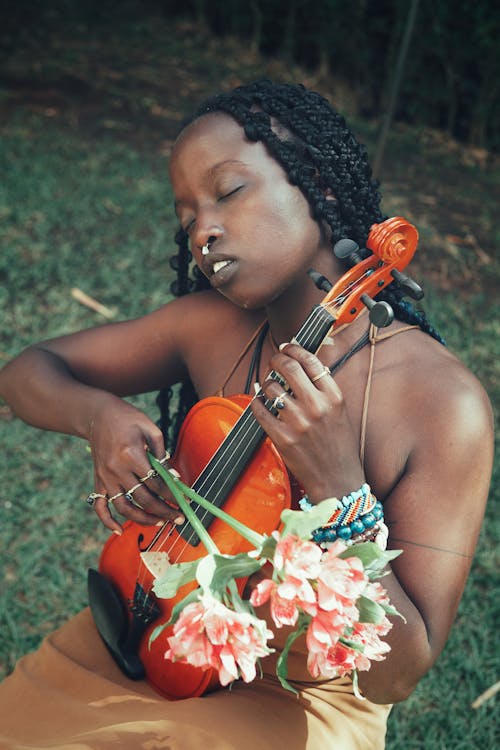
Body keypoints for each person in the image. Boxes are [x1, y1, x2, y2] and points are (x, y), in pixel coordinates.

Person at [0, 80, 493, 749]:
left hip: (301, 696)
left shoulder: (442, 403)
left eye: (229, 192)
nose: (203, 229)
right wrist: (97, 417)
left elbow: (397, 674)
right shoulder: (211, 327)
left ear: (315, 182)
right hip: (159, 626)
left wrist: (339, 485)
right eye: (187, 218)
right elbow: (27, 372)